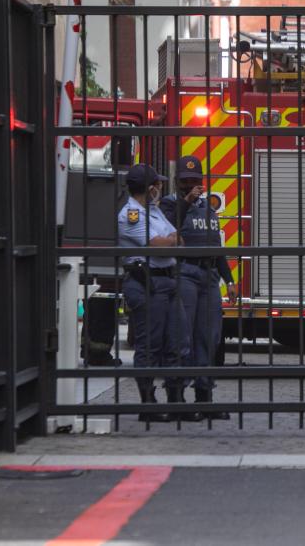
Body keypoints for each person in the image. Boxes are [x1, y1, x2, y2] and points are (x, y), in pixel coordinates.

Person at [160, 156, 237, 421]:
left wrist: (229, 280)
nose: (190, 185)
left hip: (209, 276)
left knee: (209, 338)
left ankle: (205, 397)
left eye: (195, 180)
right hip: (185, 273)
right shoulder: (170, 204)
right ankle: (176, 398)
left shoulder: (208, 207)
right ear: (176, 181)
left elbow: (216, 245)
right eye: (185, 181)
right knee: (181, 338)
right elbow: (170, 227)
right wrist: (187, 201)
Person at [118, 164, 184, 423]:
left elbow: (178, 240)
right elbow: (158, 246)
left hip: (167, 281)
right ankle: (148, 404)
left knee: (175, 343)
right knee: (150, 345)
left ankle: (175, 400)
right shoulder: (131, 215)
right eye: (157, 184)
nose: (160, 188)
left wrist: (171, 240)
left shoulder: (153, 211)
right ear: (149, 188)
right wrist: (171, 240)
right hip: (147, 284)